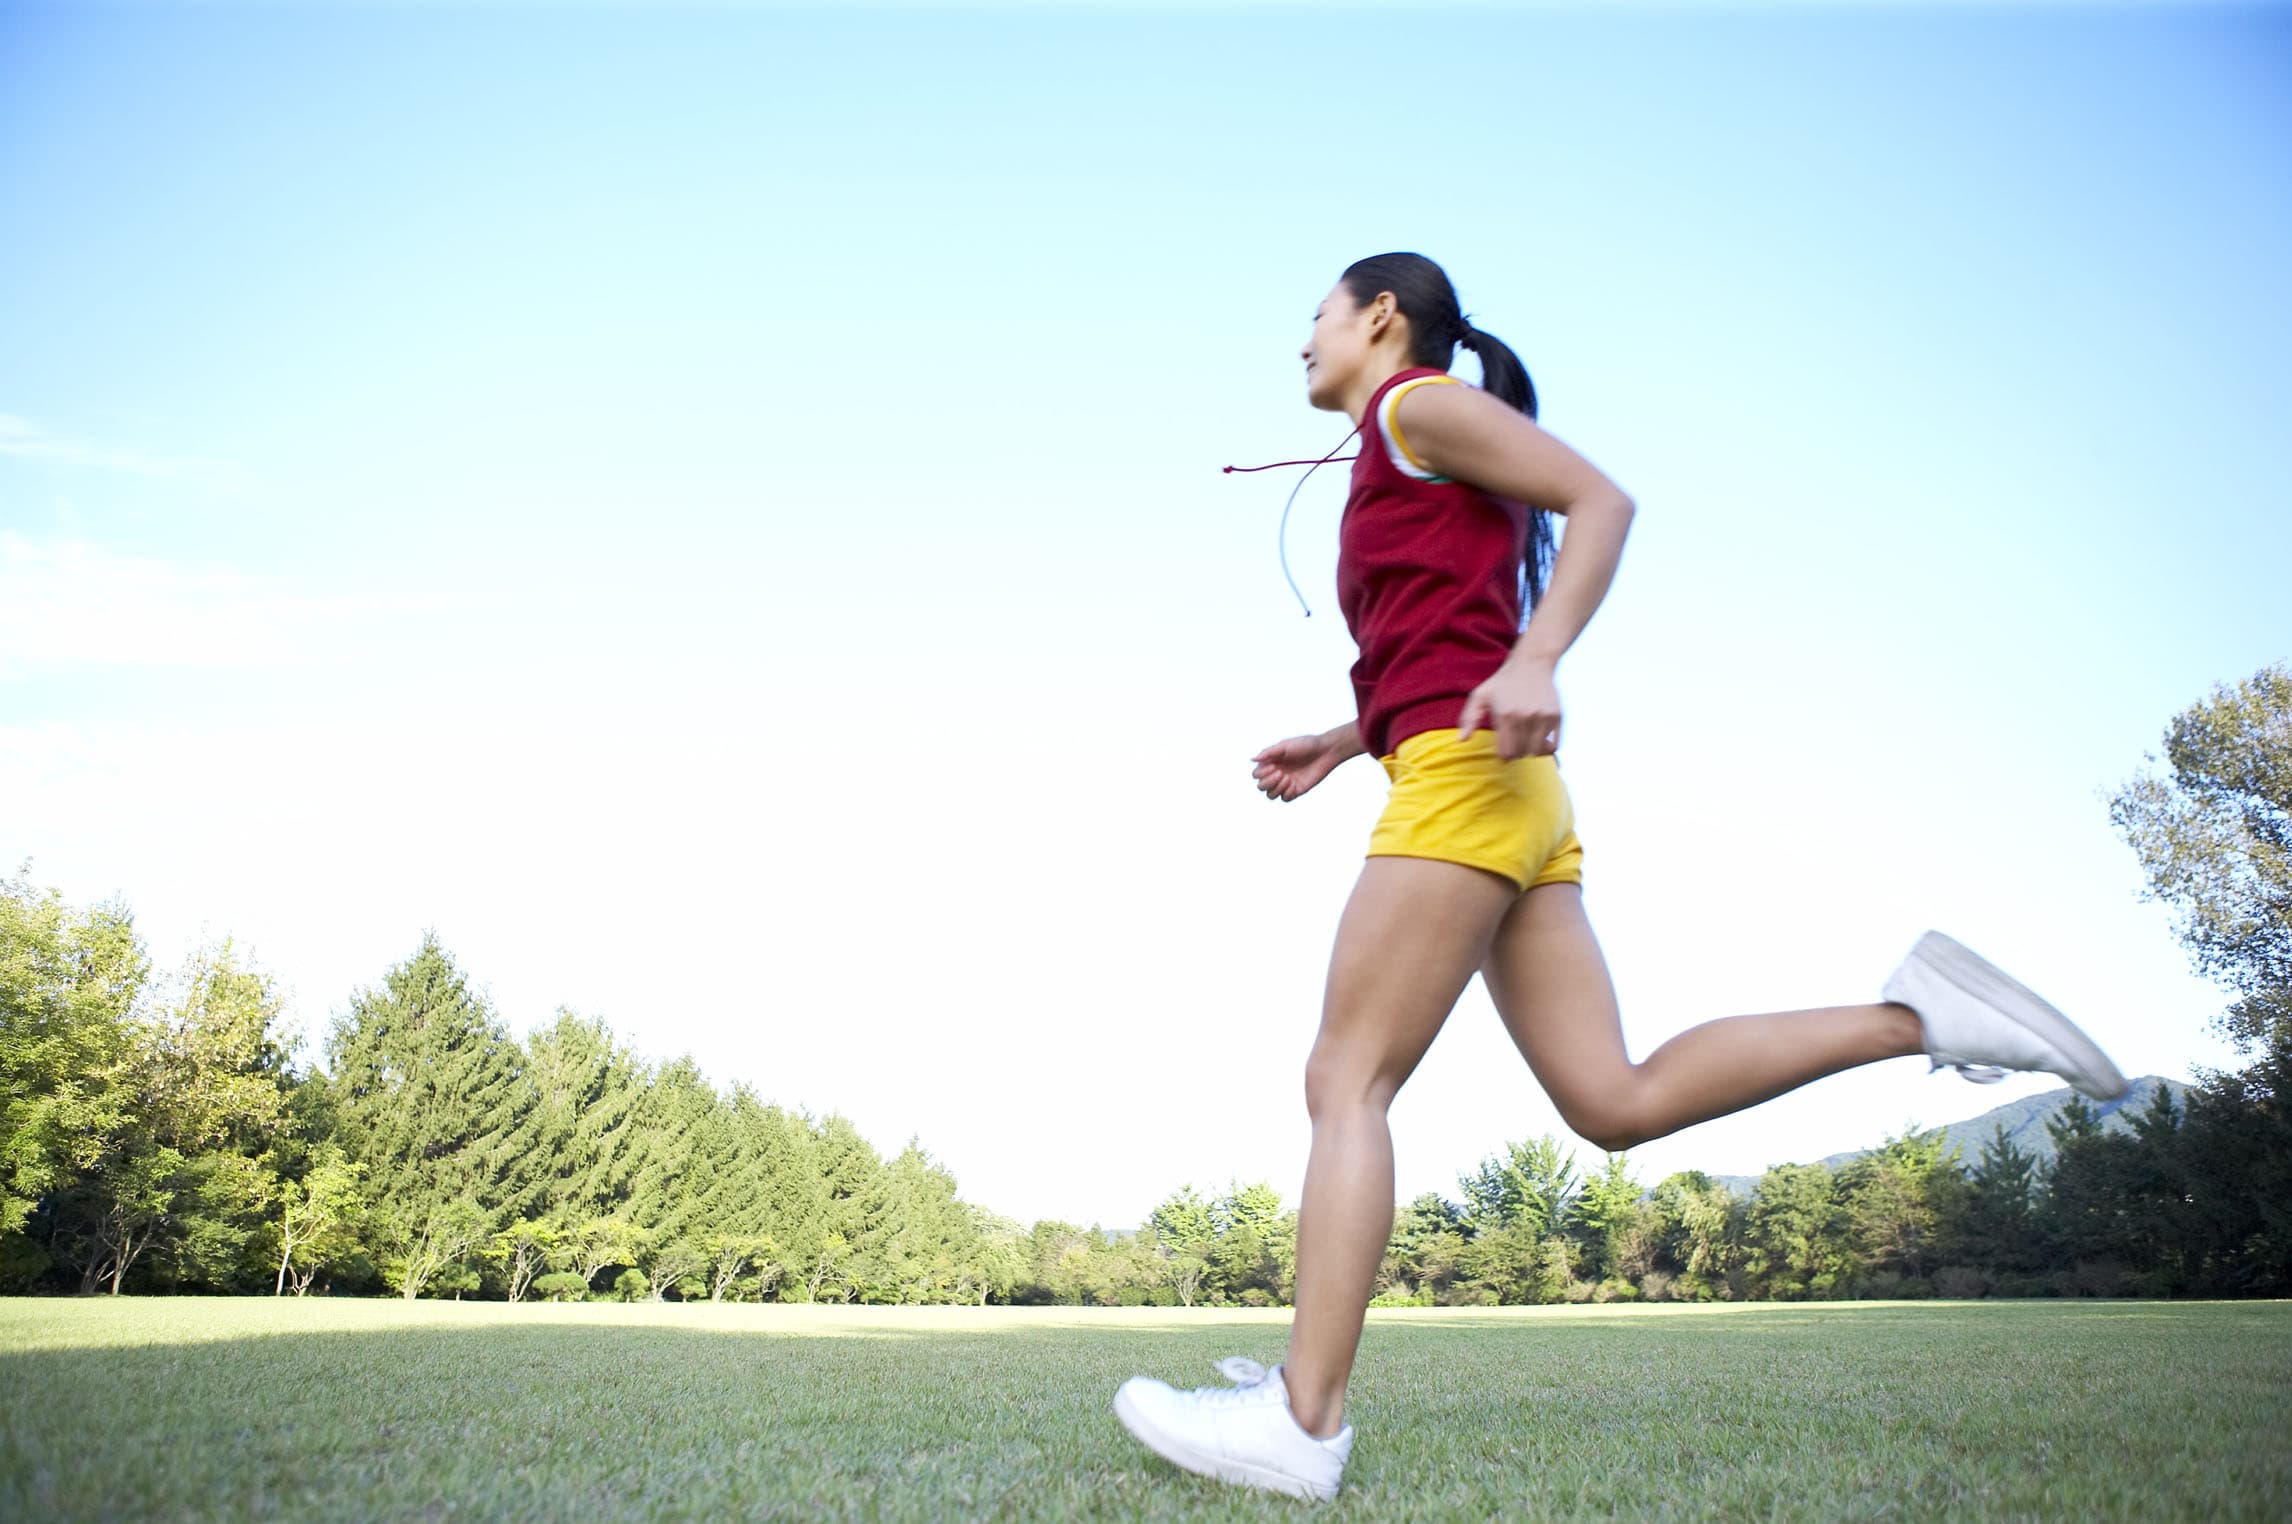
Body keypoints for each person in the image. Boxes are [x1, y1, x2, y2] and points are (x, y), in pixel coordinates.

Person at [1110, 251, 2131, 1503]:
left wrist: (1541, 659)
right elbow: (1442, 633)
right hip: (1501, 788)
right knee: (1612, 1099)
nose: (1302, 340)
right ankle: (1920, 1016)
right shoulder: (1407, 438)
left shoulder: (1416, 406)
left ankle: (1302, 1420)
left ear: (1380, 315)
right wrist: (1342, 738)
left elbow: (1601, 501)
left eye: (1314, 314)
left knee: (1347, 1078)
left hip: (1470, 784)